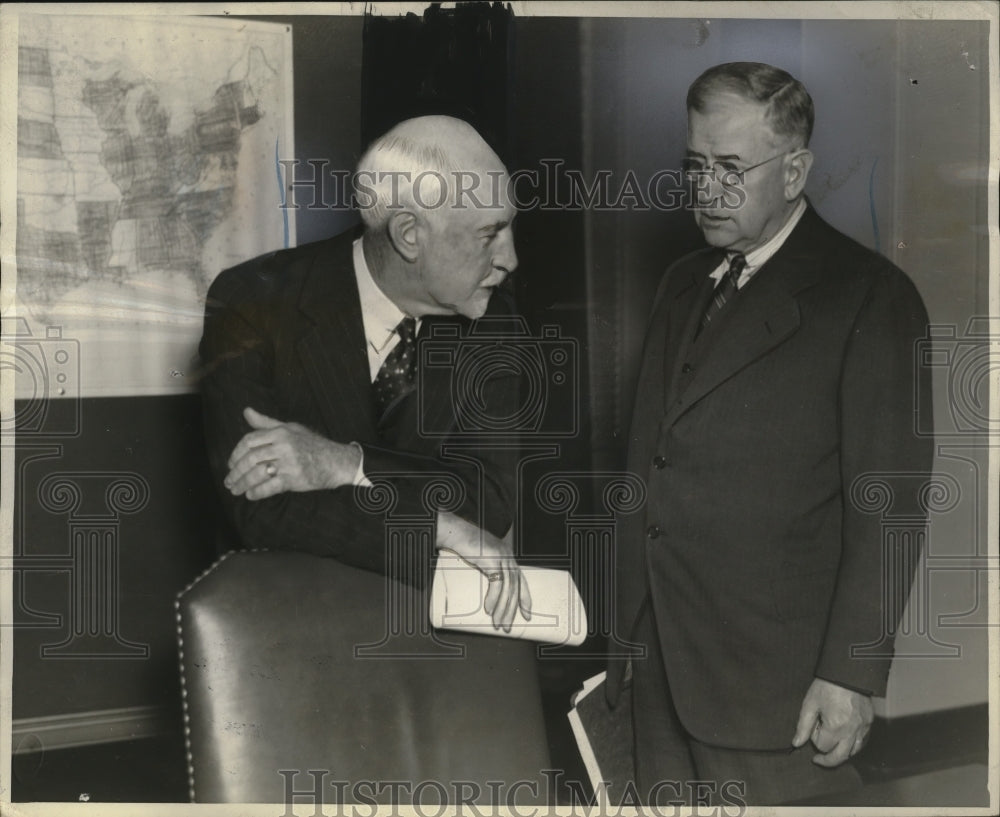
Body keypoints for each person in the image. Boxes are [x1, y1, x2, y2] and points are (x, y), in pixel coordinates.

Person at [606, 62, 934, 805]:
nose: (706, 190)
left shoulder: (870, 297)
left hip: (771, 689)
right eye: (695, 166)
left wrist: (850, 674)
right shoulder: (682, 282)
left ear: (796, 171)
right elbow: (648, 466)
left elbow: (890, 506)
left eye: (731, 168)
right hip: (656, 666)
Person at [199, 115, 530, 630]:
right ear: (409, 235)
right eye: (490, 234)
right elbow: (260, 508)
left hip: (421, 639)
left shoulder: (495, 324)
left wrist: (344, 466)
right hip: (283, 629)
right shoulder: (253, 301)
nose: (510, 258)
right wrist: (436, 527)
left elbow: (489, 501)